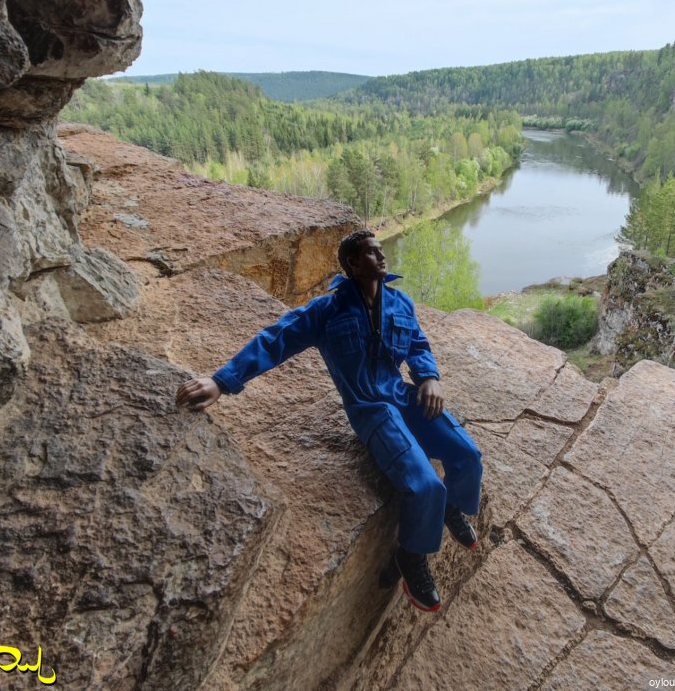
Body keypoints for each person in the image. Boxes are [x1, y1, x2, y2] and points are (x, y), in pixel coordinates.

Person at [175, 229, 483, 612]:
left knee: (468, 455)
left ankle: (450, 507)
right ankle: (412, 554)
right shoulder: (327, 311)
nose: (381, 257)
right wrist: (221, 381)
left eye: (380, 250)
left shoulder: (400, 302)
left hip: (403, 394)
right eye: (371, 253)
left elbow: (418, 343)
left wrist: (429, 377)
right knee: (424, 487)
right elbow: (274, 340)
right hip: (370, 408)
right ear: (352, 263)